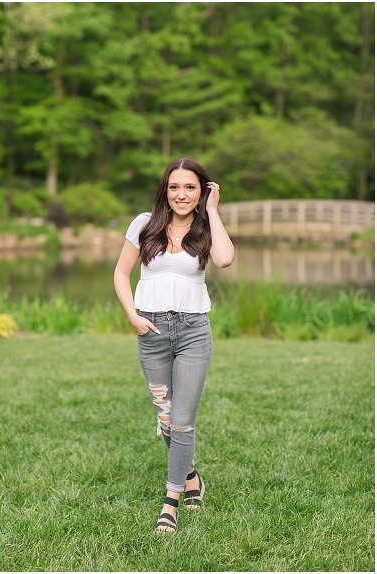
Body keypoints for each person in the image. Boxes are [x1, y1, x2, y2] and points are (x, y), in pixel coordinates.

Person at [113, 157, 234, 533]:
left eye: (191, 187)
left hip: (194, 332)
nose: (181, 194)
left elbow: (226, 259)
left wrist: (212, 211)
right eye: (175, 187)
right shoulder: (144, 224)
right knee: (166, 420)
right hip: (152, 332)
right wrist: (133, 315)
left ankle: (171, 501)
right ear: (165, 190)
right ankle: (192, 475)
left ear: (202, 192)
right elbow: (120, 273)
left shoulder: (206, 227)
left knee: (182, 424)